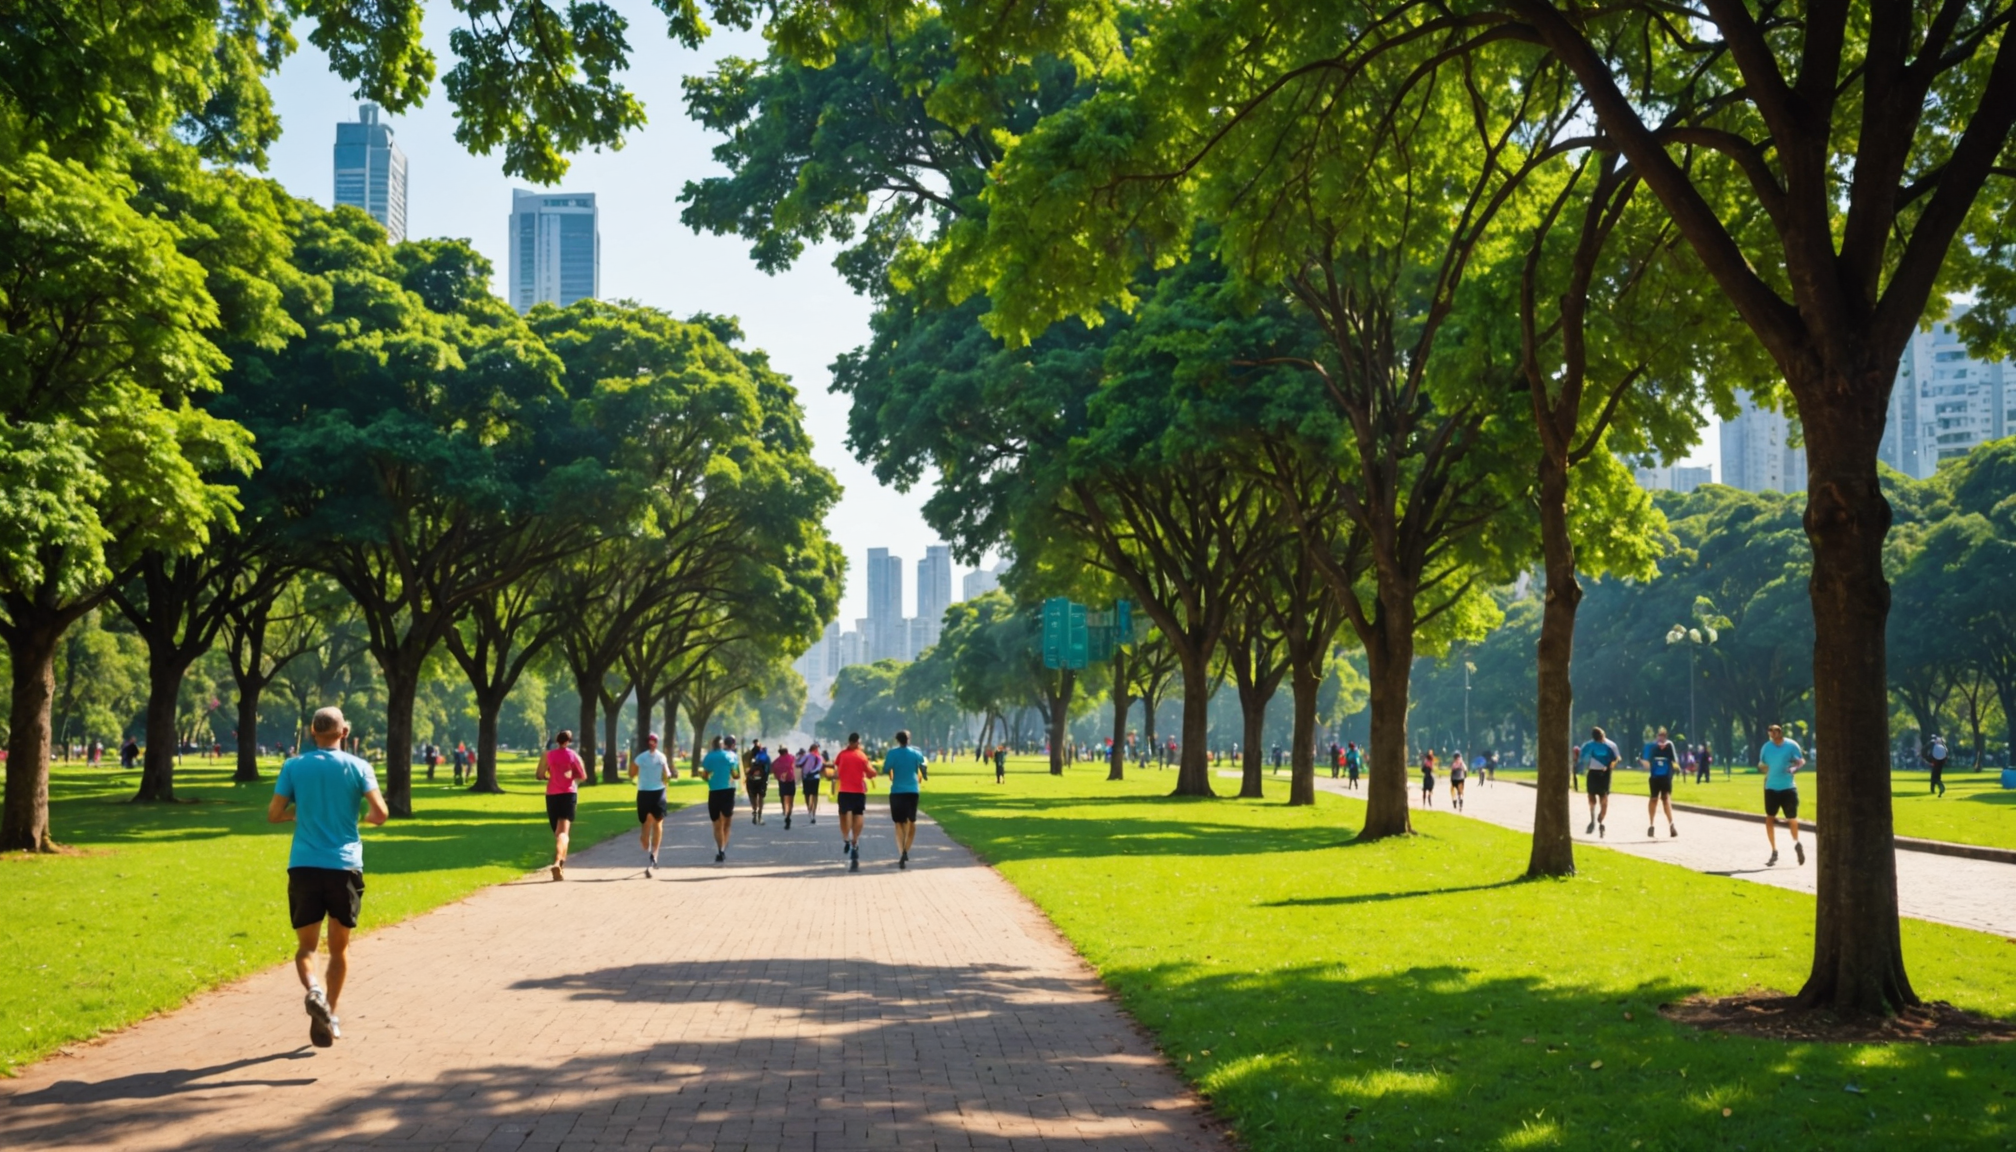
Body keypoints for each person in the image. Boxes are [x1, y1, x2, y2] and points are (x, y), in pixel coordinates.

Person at [267, 706, 389, 1049]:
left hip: (304, 865)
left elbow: (274, 814)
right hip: (345, 867)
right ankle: (329, 1013)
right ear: (344, 732)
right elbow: (380, 813)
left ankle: (314, 991)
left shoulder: (294, 766)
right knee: (339, 948)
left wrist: (300, 813)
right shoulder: (359, 767)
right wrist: (362, 820)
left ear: (311, 732)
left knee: (307, 947)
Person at [537, 730, 587, 880]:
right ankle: (558, 862)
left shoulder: (548, 755)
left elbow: (539, 775)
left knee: (558, 833)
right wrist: (570, 776)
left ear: (556, 741)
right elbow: (582, 776)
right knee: (563, 834)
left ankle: (560, 867)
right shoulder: (573, 756)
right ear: (569, 741)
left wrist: (549, 776)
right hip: (568, 794)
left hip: (552, 795)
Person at [1757, 723, 1807, 866]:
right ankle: (1774, 851)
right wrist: (1765, 770)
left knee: (1792, 818)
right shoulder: (1766, 747)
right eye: (1770, 730)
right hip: (1771, 788)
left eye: (1775, 730)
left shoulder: (1792, 745)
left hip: (1788, 788)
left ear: (1781, 732)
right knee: (1769, 819)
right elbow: (1762, 765)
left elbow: (1801, 761)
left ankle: (1797, 844)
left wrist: (1794, 768)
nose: (1773, 733)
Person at [884, 729, 927, 869]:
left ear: (897, 740)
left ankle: (901, 851)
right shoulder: (916, 753)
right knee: (911, 821)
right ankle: (906, 849)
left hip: (897, 791)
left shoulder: (892, 753)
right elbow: (922, 765)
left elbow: (885, 769)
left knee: (898, 823)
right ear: (908, 739)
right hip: (912, 791)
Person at [630, 732, 671, 876]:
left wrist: (666, 781)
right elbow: (631, 773)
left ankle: (654, 855)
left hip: (659, 792)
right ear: (648, 742)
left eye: (655, 741)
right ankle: (646, 845)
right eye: (651, 741)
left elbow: (667, 773)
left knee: (658, 823)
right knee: (647, 822)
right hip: (644, 792)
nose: (653, 743)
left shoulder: (661, 757)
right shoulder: (641, 758)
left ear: (657, 742)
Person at [834, 732, 876, 871]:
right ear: (857, 742)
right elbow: (870, 773)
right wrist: (872, 772)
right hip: (858, 791)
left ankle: (846, 837)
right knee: (859, 815)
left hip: (844, 790)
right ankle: (855, 840)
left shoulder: (841, 755)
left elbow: (837, 770)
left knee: (843, 815)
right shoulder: (861, 756)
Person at [700, 735, 741, 863]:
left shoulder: (708, 757)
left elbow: (705, 775)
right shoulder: (731, 756)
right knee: (727, 821)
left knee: (716, 822)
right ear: (722, 744)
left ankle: (720, 849)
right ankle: (723, 847)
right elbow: (736, 775)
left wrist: (711, 779)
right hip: (728, 790)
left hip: (714, 791)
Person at [1579, 727, 1620, 837]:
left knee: (1604, 797)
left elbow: (1617, 758)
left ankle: (1601, 819)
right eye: (1598, 739)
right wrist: (1583, 764)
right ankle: (1592, 819)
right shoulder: (1588, 745)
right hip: (1592, 773)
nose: (1601, 740)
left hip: (1605, 774)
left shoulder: (1611, 745)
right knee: (1591, 797)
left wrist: (1611, 765)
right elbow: (1582, 756)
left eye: (1601, 737)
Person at [1642, 726, 1680, 839]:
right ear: (1657, 736)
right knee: (1653, 799)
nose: (1661, 738)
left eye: (1663, 736)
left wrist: (1676, 768)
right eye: (1659, 735)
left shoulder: (1669, 746)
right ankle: (1651, 824)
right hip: (1654, 777)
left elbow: (1674, 760)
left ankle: (1671, 824)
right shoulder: (1653, 747)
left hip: (1666, 777)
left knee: (1665, 799)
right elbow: (1647, 761)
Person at [745, 740, 772, 824]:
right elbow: (769, 770)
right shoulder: (764, 756)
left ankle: (754, 812)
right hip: (762, 780)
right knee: (761, 797)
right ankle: (760, 816)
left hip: (750, 780)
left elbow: (745, 769)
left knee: (753, 797)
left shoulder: (746, 756)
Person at [773, 745, 800, 829]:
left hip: (782, 782)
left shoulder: (776, 762)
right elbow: (796, 764)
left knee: (784, 798)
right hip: (791, 781)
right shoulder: (791, 757)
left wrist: (779, 778)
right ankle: (788, 814)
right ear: (787, 752)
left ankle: (785, 810)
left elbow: (774, 772)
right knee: (791, 800)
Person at [800, 743, 825, 824]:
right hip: (811, 777)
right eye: (816, 748)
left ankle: (812, 812)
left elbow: (799, 764)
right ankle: (810, 810)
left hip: (810, 777)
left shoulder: (815, 757)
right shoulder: (809, 756)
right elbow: (800, 764)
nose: (817, 750)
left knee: (812, 794)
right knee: (810, 795)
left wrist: (809, 771)